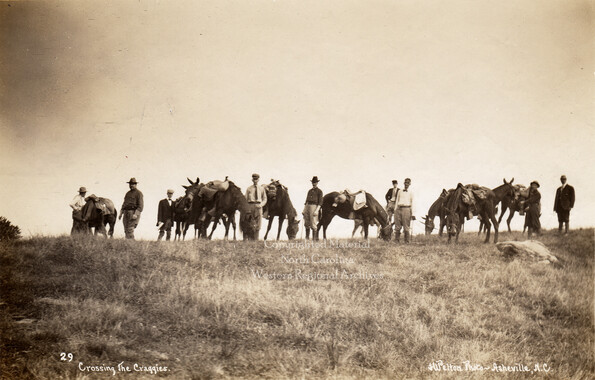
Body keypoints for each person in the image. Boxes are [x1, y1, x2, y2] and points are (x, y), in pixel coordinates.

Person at [245, 173, 267, 239]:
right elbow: (245, 198)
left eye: (256, 179)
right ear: (252, 180)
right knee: (250, 221)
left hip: (259, 206)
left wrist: (261, 205)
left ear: (258, 180)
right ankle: (250, 238)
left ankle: (256, 239)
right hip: (251, 205)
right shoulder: (249, 188)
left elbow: (265, 198)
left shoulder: (262, 188)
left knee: (258, 223)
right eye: (254, 179)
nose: (255, 180)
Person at [393, 178, 415, 243]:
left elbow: (413, 203)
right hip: (398, 209)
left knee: (406, 226)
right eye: (405, 182)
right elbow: (397, 200)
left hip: (407, 209)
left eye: (408, 183)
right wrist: (395, 209)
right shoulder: (399, 191)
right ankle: (397, 240)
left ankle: (407, 241)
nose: (406, 184)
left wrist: (413, 213)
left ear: (410, 184)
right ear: (404, 183)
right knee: (397, 225)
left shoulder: (411, 192)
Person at [303, 176, 323, 240]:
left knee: (313, 223)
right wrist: (304, 210)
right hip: (307, 206)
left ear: (317, 183)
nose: (314, 183)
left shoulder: (319, 191)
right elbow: (306, 201)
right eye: (313, 182)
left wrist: (317, 210)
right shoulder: (309, 191)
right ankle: (307, 238)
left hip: (314, 206)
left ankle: (314, 240)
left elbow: (320, 202)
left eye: (315, 182)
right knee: (306, 222)